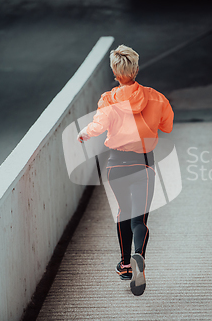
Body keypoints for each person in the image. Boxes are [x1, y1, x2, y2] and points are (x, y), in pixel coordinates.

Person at [77, 44, 174, 296]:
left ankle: (124, 266)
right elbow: (168, 126)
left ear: (114, 71)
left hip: (116, 165)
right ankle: (138, 255)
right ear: (136, 69)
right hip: (142, 163)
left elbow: (97, 126)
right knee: (139, 218)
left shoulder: (108, 99)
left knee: (124, 212)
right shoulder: (156, 97)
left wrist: (84, 132)